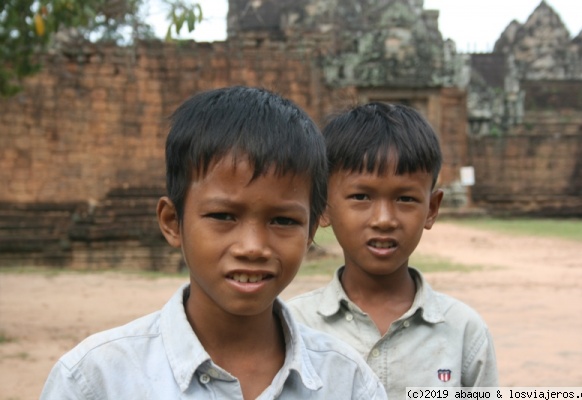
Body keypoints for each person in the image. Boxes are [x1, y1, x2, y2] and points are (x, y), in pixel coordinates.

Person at [40, 87, 387, 400]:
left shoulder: (347, 382)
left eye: (283, 221)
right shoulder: (96, 380)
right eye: (223, 216)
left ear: (311, 231)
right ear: (172, 222)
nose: (252, 247)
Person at [287, 102, 499, 397]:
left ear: (431, 209)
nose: (384, 220)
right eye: (361, 196)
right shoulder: (292, 325)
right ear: (323, 207)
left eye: (405, 199)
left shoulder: (463, 332)